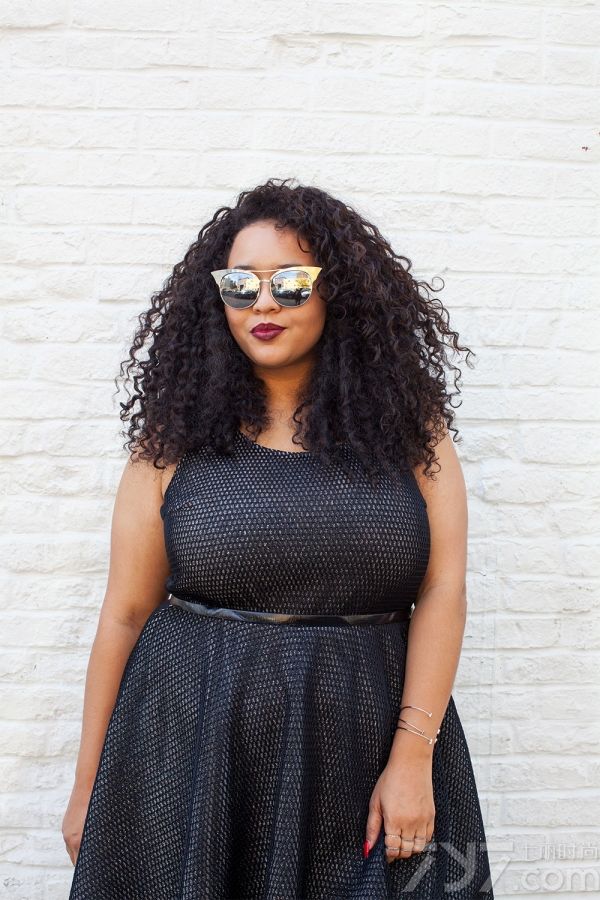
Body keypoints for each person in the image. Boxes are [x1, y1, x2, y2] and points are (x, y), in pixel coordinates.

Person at [64, 177, 494, 898]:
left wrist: (413, 756)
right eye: (240, 284)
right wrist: (90, 787)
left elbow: (444, 589)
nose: (263, 303)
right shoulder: (172, 441)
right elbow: (126, 614)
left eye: (291, 282)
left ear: (337, 293)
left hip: (368, 738)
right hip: (190, 749)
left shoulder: (411, 433)